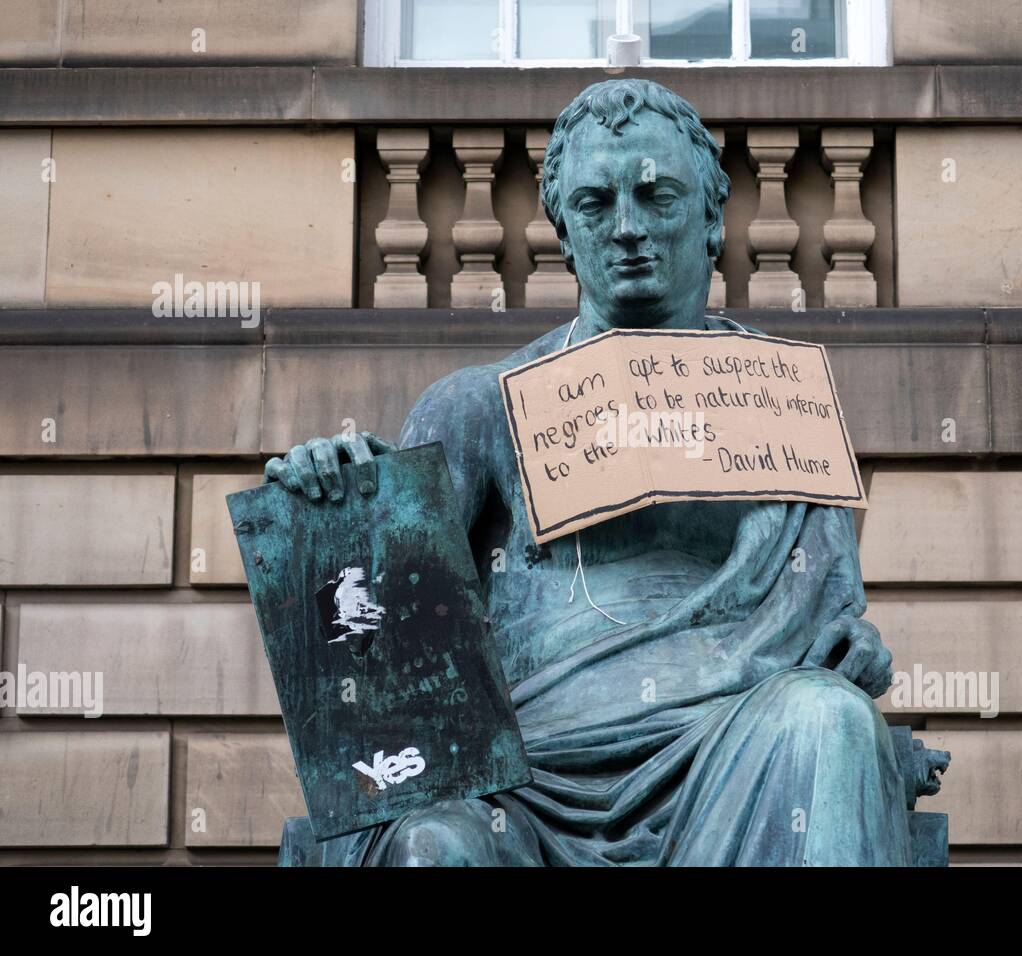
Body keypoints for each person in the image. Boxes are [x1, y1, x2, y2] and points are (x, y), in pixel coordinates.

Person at [267, 78, 930, 866]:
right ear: (563, 232)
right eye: (594, 203)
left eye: (658, 197)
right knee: (432, 848)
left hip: (729, 745)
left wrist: (853, 653)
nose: (626, 228)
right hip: (523, 782)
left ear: (713, 218)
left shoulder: (780, 412)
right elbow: (384, 637)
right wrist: (343, 501)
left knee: (830, 721)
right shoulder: (478, 407)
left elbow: (826, 617)